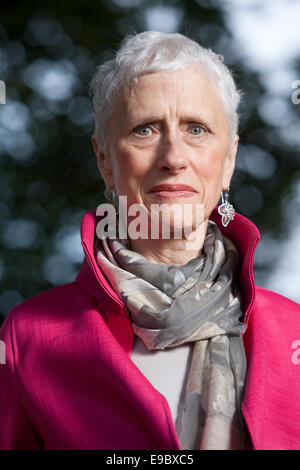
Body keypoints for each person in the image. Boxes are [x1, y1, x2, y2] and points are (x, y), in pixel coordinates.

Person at [0, 30, 299, 451]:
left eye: (197, 129)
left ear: (228, 160)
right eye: (144, 130)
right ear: (105, 159)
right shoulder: (29, 336)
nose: (174, 157)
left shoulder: (293, 332)